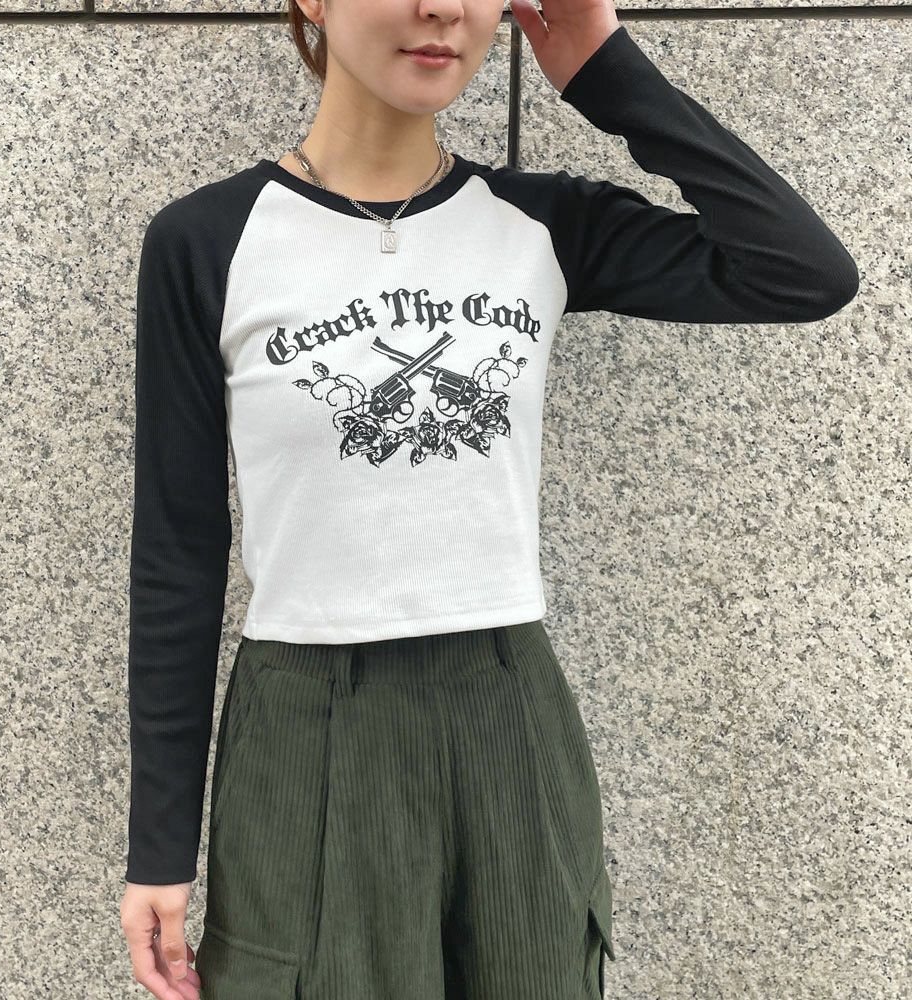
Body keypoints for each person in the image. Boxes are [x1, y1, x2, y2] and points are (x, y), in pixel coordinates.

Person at [118, 0, 859, 997]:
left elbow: (803, 273)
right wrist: (160, 846)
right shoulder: (206, 240)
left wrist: (606, 71)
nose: (444, 9)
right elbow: (176, 550)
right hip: (305, 722)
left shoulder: (539, 224)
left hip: (509, 712)